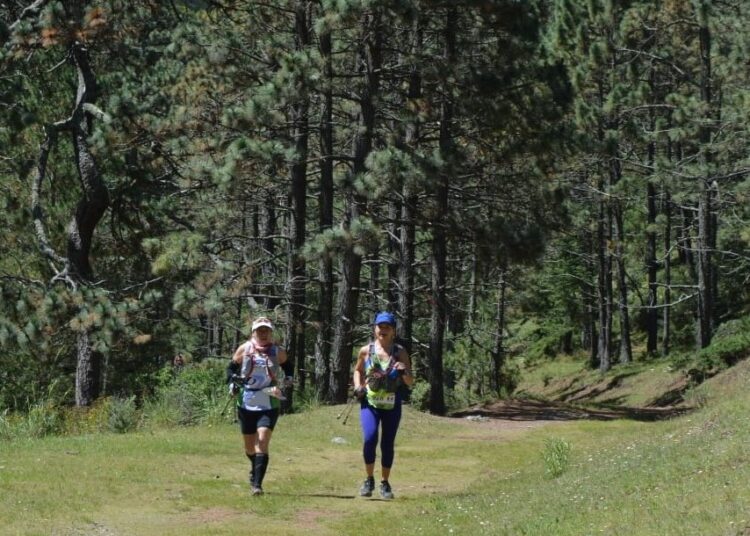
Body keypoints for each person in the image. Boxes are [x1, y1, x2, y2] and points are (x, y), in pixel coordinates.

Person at [226, 316, 293, 495]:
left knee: (262, 441)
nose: (263, 334)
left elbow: (288, 366)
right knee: (249, 447)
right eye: (260, 331)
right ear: (253, 333)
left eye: (266, 331)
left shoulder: (278, 351)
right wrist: (232, 383)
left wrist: (288, 378)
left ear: (271, 333)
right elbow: (230, 369)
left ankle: (257, 485)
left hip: (269, 399)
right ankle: (255, 468)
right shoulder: (245, 348)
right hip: (246, 401)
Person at [352, 311, 414, 499]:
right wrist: (357, 386)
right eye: (380, 326)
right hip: (370, 403)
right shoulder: (366, 350)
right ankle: (369, 479)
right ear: (375, 328)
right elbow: (358, 370)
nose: (383, 330)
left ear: (393, 331)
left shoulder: (400, 352)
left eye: (387, 327)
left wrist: (404, 372)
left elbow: (410, 382)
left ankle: (385, 483)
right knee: (370, 438)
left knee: (387, 443)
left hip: (392, 405)